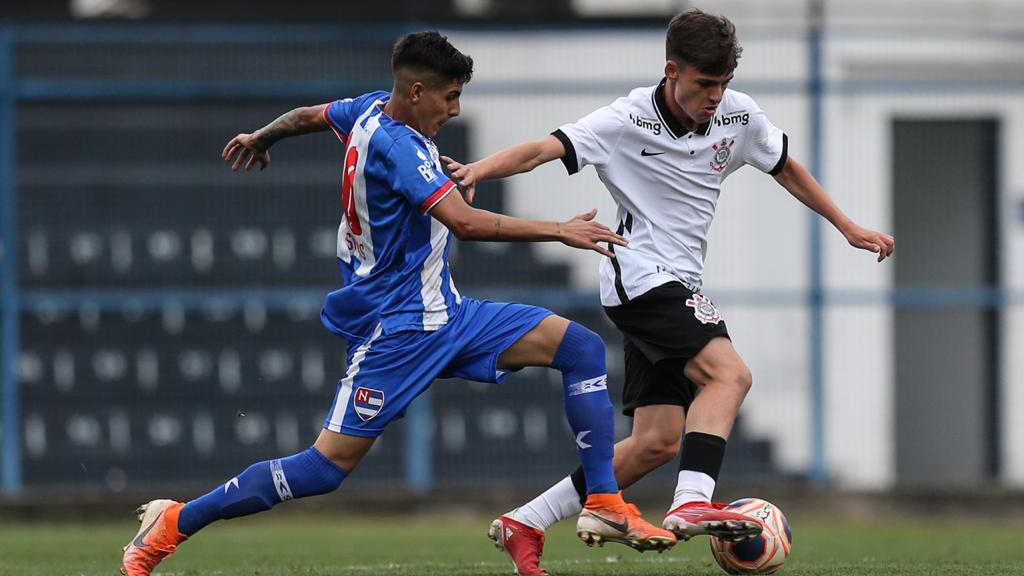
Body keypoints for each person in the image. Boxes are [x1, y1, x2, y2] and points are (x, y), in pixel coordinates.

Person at [120, 30, 677, 576]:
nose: (456, 110)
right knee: (324, 469)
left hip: (449, 314)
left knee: (578, 346)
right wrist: (558, 229)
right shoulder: (401, 146)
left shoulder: (366, 110)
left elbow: (306, 117)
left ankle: (602, 499)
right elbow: (463, 222)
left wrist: (263, 137)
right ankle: (173, 522)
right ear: (416, 92)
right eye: (450, 96)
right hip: (399, 330)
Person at [444, 9, 895, 575]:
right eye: (705, 83)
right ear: (672, 70)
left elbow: (785, 167)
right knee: (730, 375)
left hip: (674, 282)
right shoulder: (626, 119)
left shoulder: (739, 115)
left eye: (724, 83)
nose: (716, 96)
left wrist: (846, 225)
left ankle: (526, 521)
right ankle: (691, 503)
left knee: (655, 443)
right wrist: (478, 171)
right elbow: (545, 148)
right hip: (639, 277)